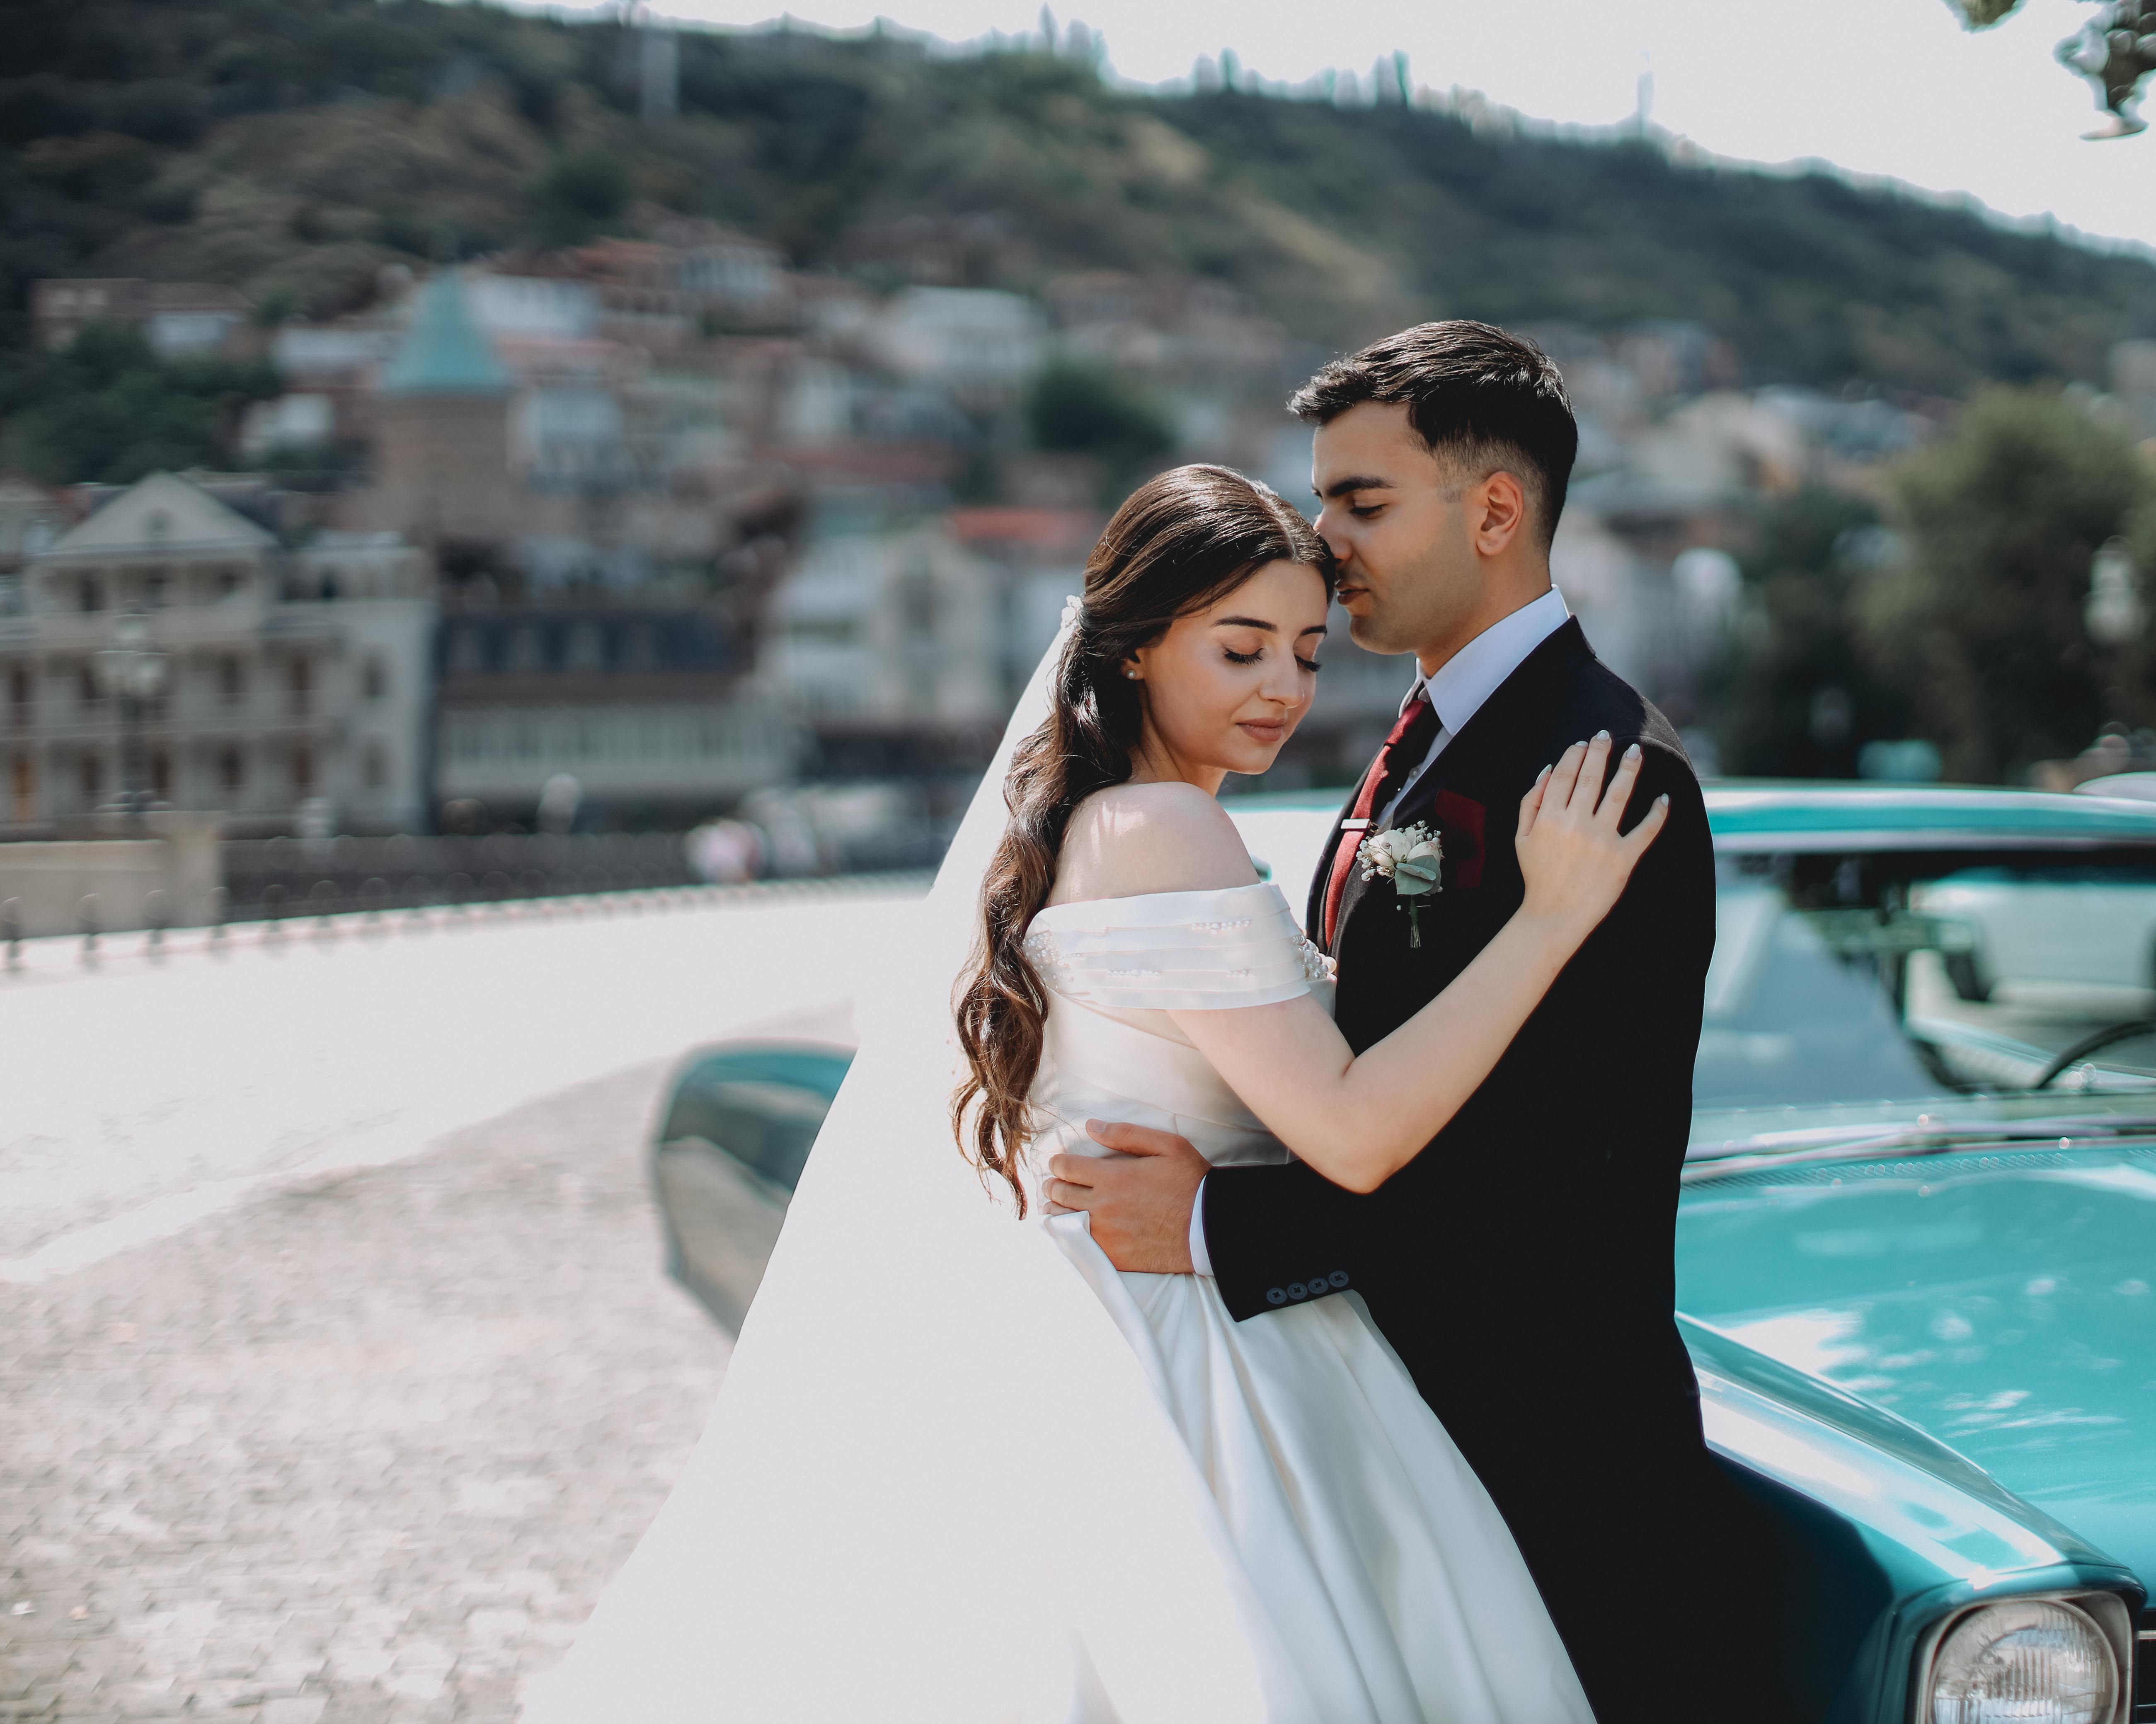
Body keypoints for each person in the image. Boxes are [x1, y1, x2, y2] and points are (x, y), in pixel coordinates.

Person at [521, 452, 1669, 1724]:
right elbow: (1351, 1130)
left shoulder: (1079, 820)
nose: (1282, 688)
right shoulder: (1166, 829)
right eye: (1239, 650)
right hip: (1195, 1350)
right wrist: (1550, 919)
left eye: (1304, 652)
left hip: (1117, 1307)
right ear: (1133, 648)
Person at [1049, 322, 1739, 1719]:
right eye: (1323, 501)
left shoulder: (1599, 771)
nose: (1327, 536)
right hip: (1387, 1432)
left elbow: (1557, 1171)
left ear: (1494, 511)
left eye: (1362, 502)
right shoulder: (1422, 741)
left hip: (1542, 1450)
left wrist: (1213, 1227)